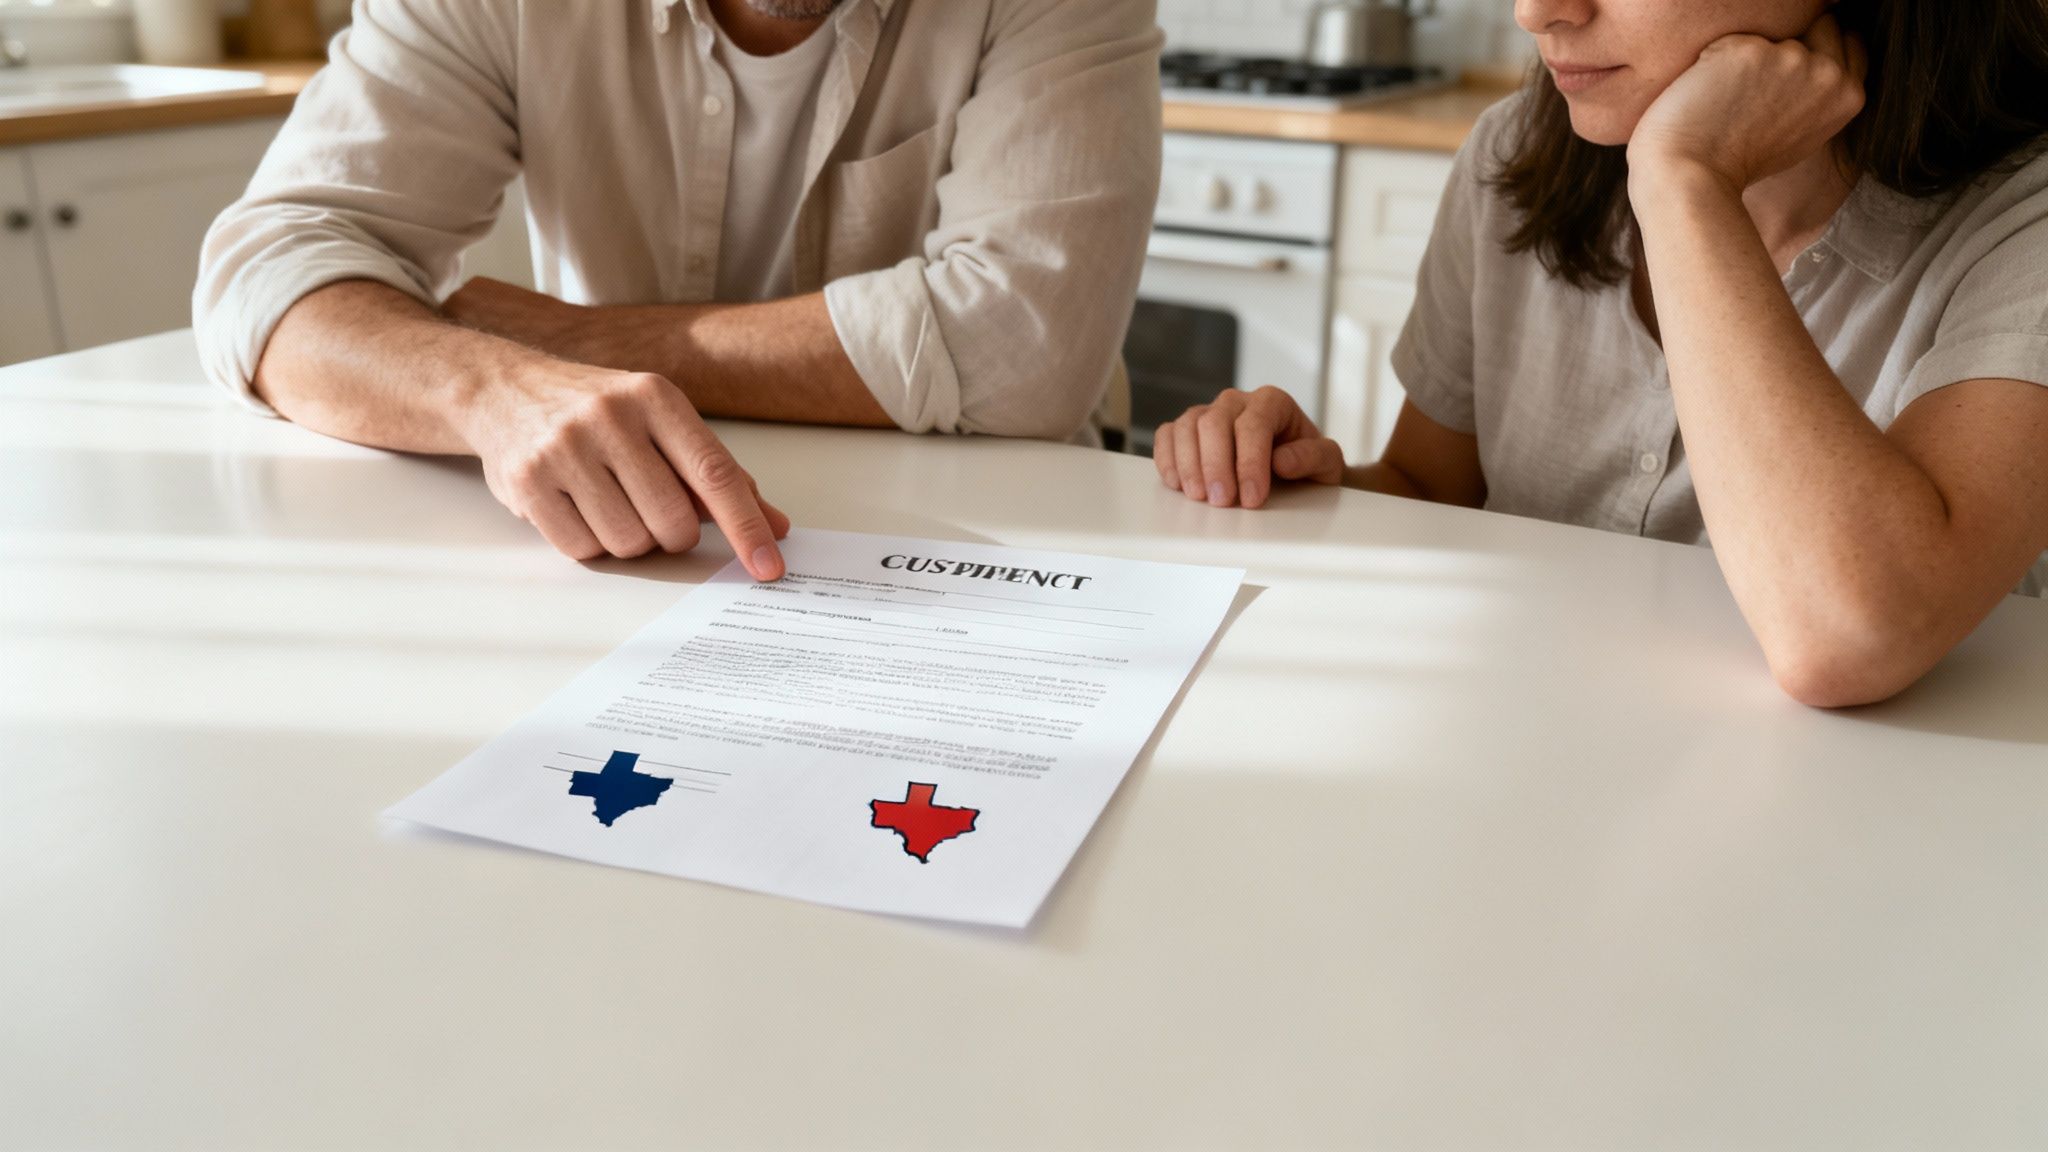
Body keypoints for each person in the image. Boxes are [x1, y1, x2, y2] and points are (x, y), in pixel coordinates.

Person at [1155, 0, 2048, 708]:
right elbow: (1434, 490)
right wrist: (1301, 476)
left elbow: (1847, 636)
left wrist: (1686, 183)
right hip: (1526, 750)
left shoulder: (2022, 218)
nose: (1536, 11)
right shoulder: (1514, 153)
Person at [196, 0, 1162, 579]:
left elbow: (1024, 352)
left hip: (991, 545)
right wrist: (489, 390)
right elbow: (270, 267)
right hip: (630, 540)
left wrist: (572, 341)